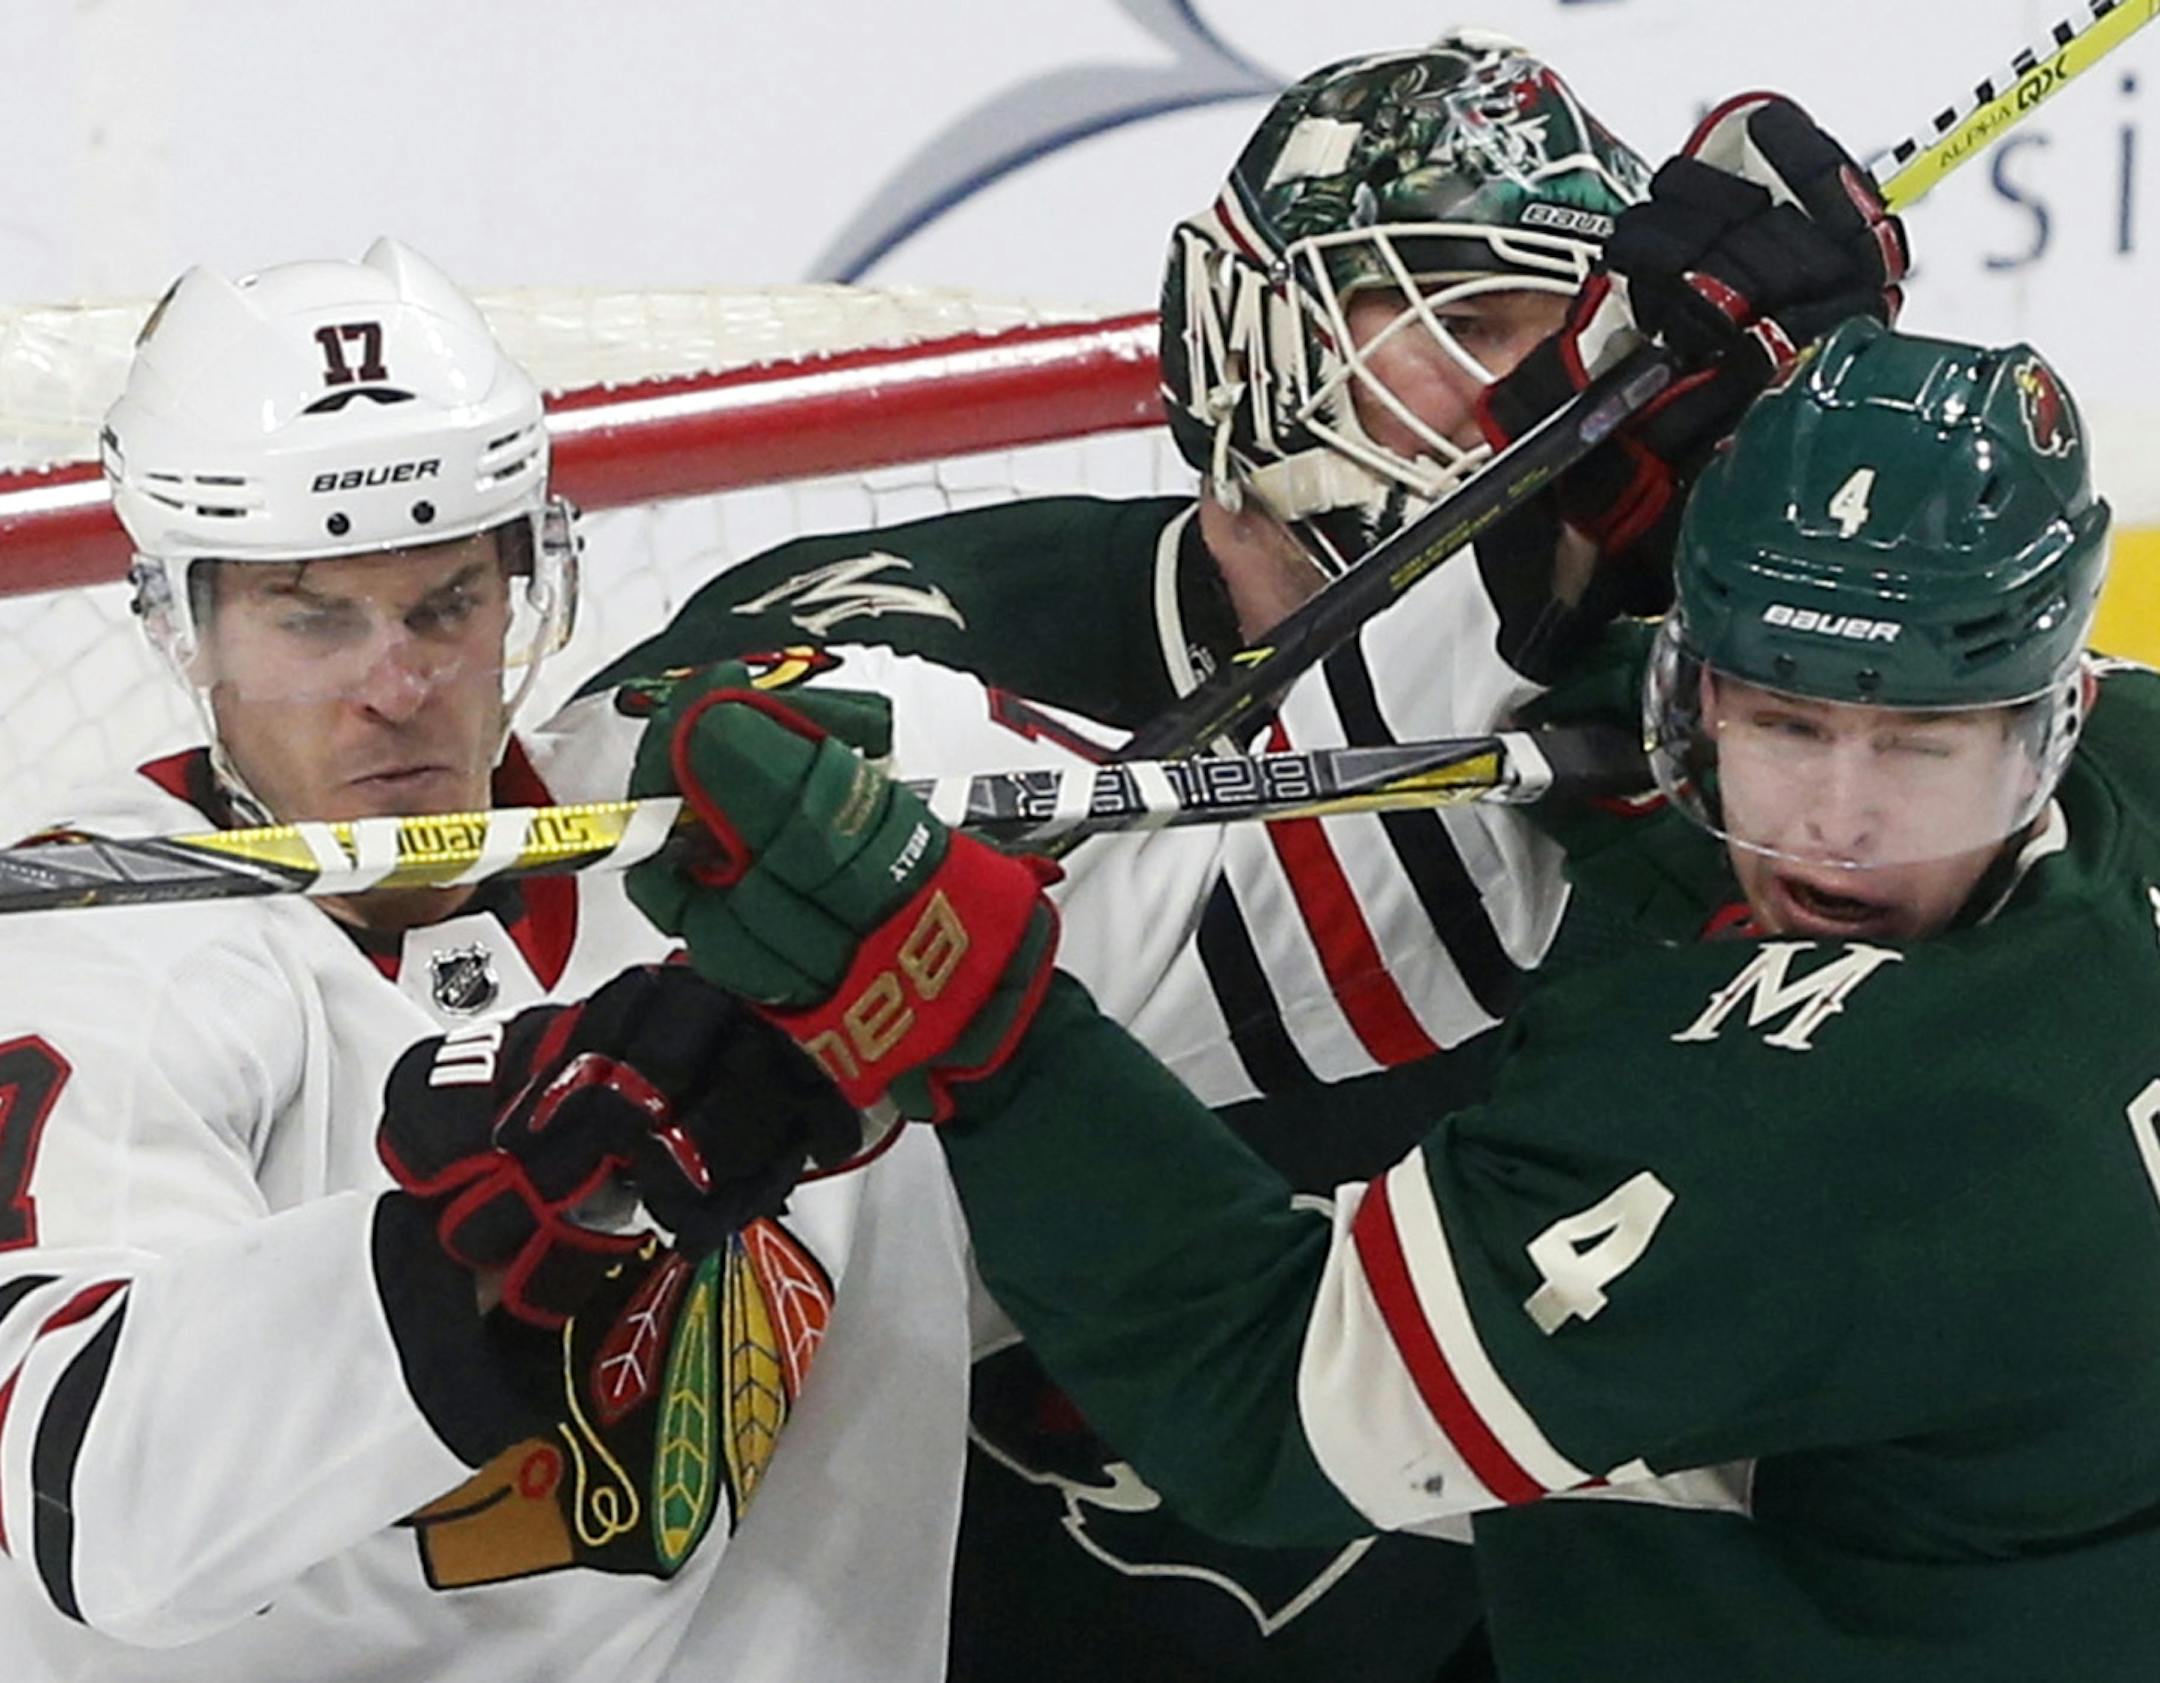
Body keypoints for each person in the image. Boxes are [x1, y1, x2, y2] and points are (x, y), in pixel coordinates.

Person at [594, 34, 1906, 1679]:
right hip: (957, 1603)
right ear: (1253, 333)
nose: (1538, 390)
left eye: (1579, 341)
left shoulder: (1653, 712)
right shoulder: (919, 629)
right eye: (1480, 322)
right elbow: (717, 870)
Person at [623, 315, 2160, 1680]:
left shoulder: (1852, 1132)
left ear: (2050, 714)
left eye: (1917, 750)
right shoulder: (2132, 770)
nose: (1836, 823)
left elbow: (1262, 1400)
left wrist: (976, 1022)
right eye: (1782, 724)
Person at [0, 240, 974, 1682]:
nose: (396, 687)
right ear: (184, 623)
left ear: (527, 584)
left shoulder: (752, 811)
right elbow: (90, 1497)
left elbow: (1327, 928)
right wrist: (488, 1226)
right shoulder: (96, 955)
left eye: (447, 604)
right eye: (312, 615)